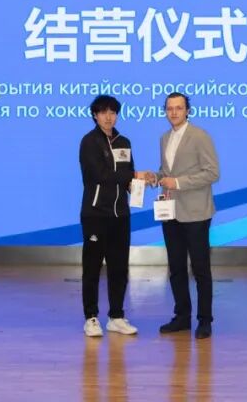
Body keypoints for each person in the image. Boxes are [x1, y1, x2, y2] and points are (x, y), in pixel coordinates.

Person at [146, 92, 220, 339]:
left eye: (179, 108)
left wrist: (177, 182)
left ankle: (205, 320)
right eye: (169, 108)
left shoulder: (200, 136)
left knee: (200, 269)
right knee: (176, 268)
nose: (174, 112)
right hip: (171, 212)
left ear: (188, 110)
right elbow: (166, 171)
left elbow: (212, 173)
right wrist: (155, 177)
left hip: (196, 212)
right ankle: (182, 316)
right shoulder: (164, 138)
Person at [79, 94, 147, 337]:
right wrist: (133, 176)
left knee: (119, 268)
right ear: (95, 115)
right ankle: (91, 317)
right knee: (92, 267)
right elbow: (100, 175)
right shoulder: (89, 142)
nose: (108, 117)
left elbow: (128, 173)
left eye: (112, 112)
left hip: (121, 215)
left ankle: (116, 317)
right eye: (103, 112)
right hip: (96, 215)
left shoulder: (124, 142)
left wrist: (137, 185)